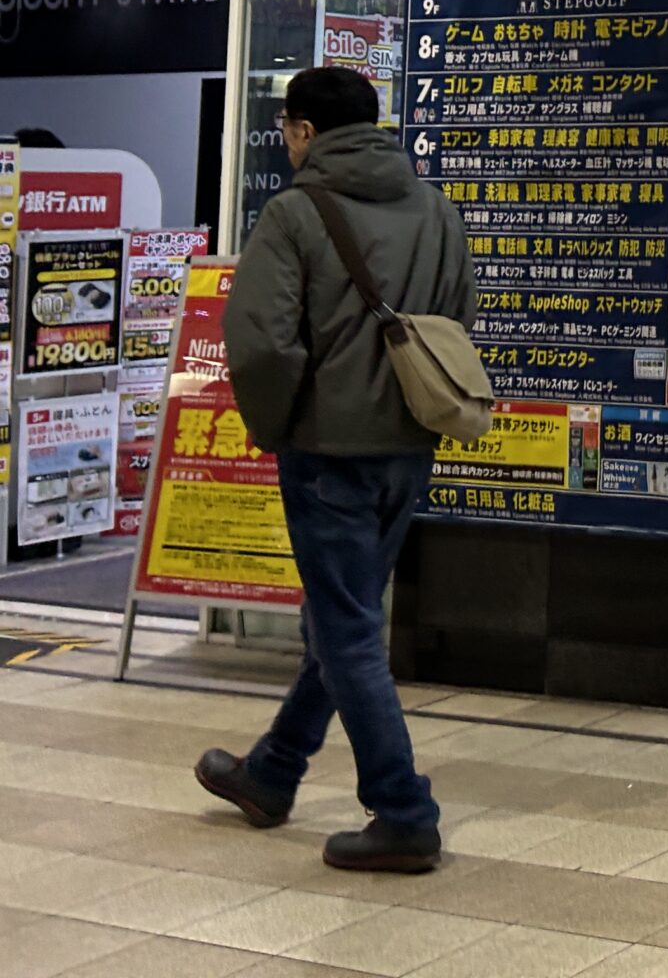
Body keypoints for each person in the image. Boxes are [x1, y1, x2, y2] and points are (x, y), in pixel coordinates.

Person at [194, 66, 473, 873]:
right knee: (338, 618)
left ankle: (404, 810)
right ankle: (271, 774)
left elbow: (261, 343)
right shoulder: (435, 207)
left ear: (305, 130)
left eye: (287, 128)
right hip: (409, 445)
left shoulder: (292, 213)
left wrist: (278, 427)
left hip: (327, 454)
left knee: (347, 632)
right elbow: (458, 313)